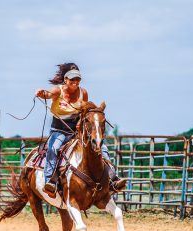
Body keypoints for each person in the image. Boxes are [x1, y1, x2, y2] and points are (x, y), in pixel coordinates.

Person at [35, 63, 126, 198]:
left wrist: (81, 123)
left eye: (78, 79)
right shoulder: (57, 91)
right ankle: (50, 181)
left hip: (77, 131)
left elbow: (85, 111)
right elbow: (48, 94)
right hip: (59, 130)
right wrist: (41, 93)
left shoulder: (83, 93)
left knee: (101, 147)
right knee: (53, 148)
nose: (75, 82)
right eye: (72, 79)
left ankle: (113, 178)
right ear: (65, 80)